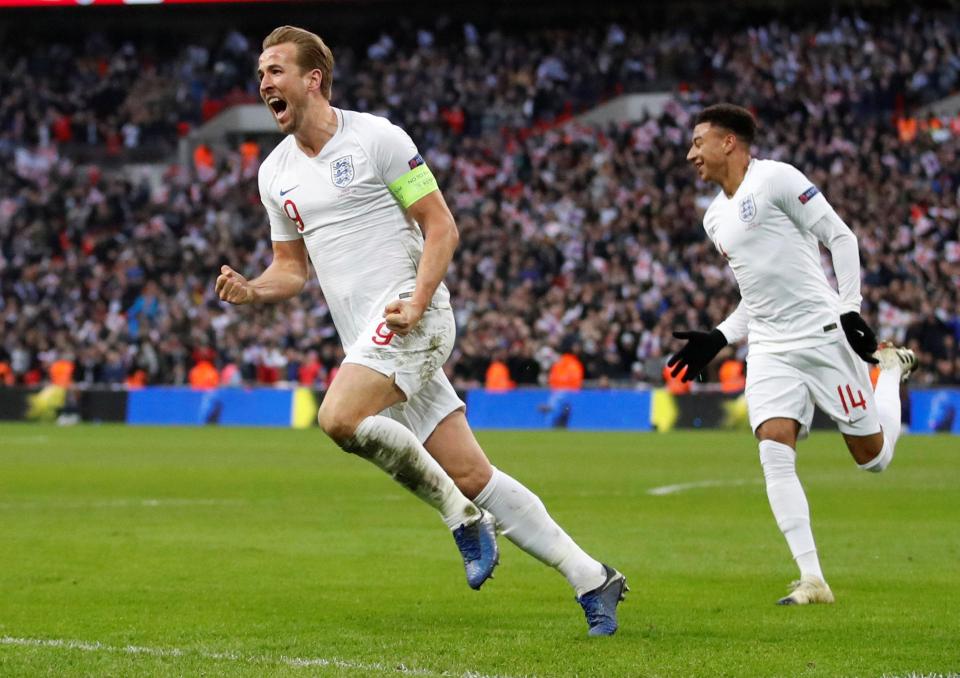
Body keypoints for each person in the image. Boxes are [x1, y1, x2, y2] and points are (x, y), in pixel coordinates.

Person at [215, 25, 626, 635]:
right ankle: (593, 577)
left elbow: (441, 227)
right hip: (369, 339)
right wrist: (252, 289)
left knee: (338, 418)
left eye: (275, 70)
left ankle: (460, 518)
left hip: (415, 314)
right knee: (473, 472)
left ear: (313, 79)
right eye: (260, 74)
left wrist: (419, 300)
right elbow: (291, 270)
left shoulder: (377, 138)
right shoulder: (273, 173)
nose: (263, 82)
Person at [670, 103, 918, 605]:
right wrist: (720, 337)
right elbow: (756, 295)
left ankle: (888, 371)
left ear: (729, 143)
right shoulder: (713, 217)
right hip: (769, 344)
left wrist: (850, 309)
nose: (691, 152)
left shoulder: (778, 179)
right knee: (773, 447)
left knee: (872, 460)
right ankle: (813, 580)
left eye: (699, 141)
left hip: (823, 332)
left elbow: (840, 237)